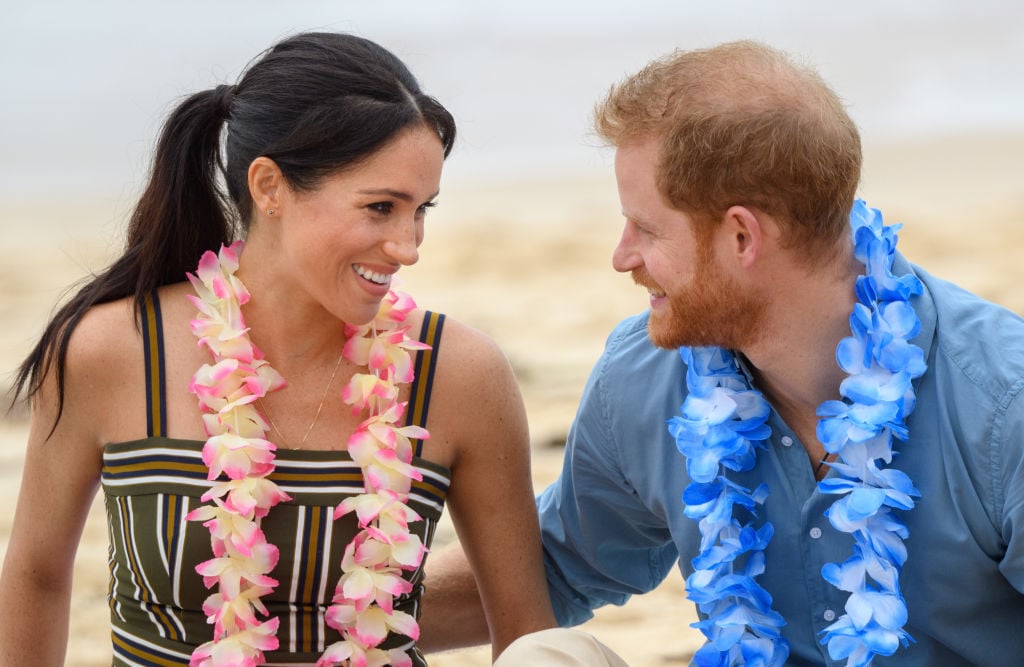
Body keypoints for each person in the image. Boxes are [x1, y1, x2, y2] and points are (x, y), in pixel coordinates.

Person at [419, 40, 1024, 666]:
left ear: (742, 236)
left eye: (646, 229)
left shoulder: (1004, 403)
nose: (621, 256)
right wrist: (337, 614)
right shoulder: (644, 378)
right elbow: (550, 566)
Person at [0, 32, 556, 667]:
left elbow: (523, 629)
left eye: (421, 210)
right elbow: (37, 577)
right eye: (380, 207)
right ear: (269, 187)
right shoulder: (111, 350)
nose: (409, 245)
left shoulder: (460, 374)